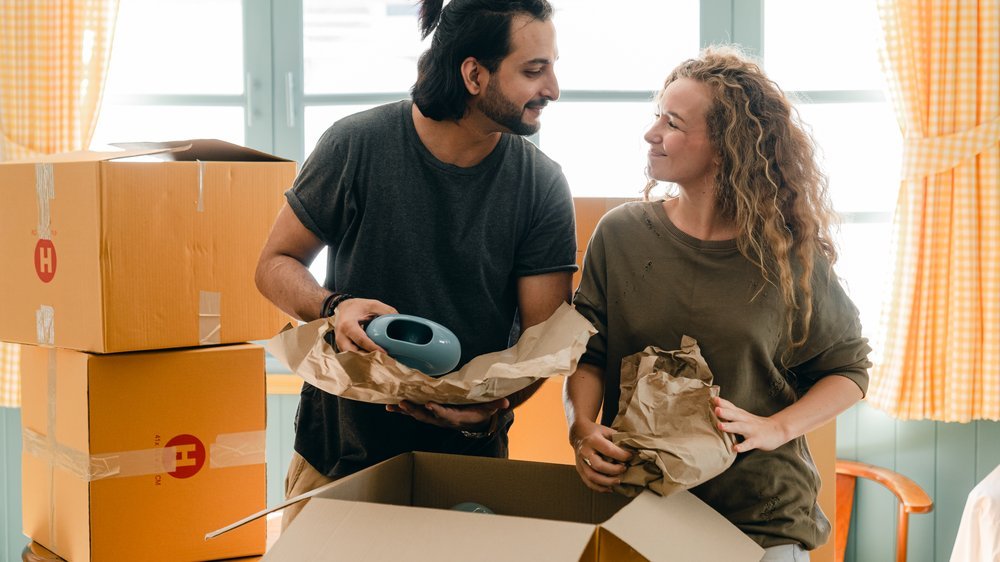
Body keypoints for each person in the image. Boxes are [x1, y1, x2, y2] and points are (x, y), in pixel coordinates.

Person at [256, 0, 576, 530]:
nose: (553, 89)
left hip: (467, 466)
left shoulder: (541, 185)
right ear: (474, 74)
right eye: (534, 70)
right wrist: (332, 306)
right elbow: (274, 263)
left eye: (552, 67)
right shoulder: (356, 145)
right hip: (337, 455)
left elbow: (541, 342)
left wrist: (491, 408)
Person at [564, 46, 871, 561]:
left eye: (673, 122)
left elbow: (850, 369)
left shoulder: (787, 255)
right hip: (639, 510)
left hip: (759, 521)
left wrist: (777, 428)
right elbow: (587, 351)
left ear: (727, 147)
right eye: (656, 116)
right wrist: (580, 428)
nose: (651, 133)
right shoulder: (620, 235)